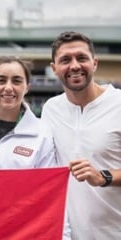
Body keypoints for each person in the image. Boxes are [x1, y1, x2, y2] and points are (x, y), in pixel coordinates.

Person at [0, 56, 71, 239]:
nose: (8, 88)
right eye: (1, 80)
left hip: (18, 229)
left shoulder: (42, 134)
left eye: (16, 81)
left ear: (27, 87)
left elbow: (51, 195)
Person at [41, 31, 121, 239]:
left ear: (94, 63)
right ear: (54, 68)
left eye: (82, 58)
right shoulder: (51, 109)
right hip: (67, 234)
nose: (75, 66)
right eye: (65, 60)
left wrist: (102, 177)